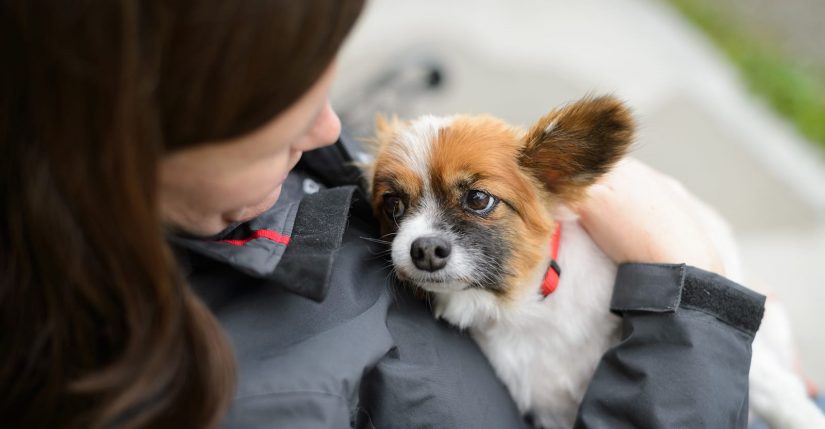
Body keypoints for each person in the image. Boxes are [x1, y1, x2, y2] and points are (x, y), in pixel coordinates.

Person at [0, 1, 765, 428]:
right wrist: (691, 311)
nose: (329, 134)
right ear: (126, 145)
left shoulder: (223, 204)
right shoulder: (253, 402)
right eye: (281, 114)